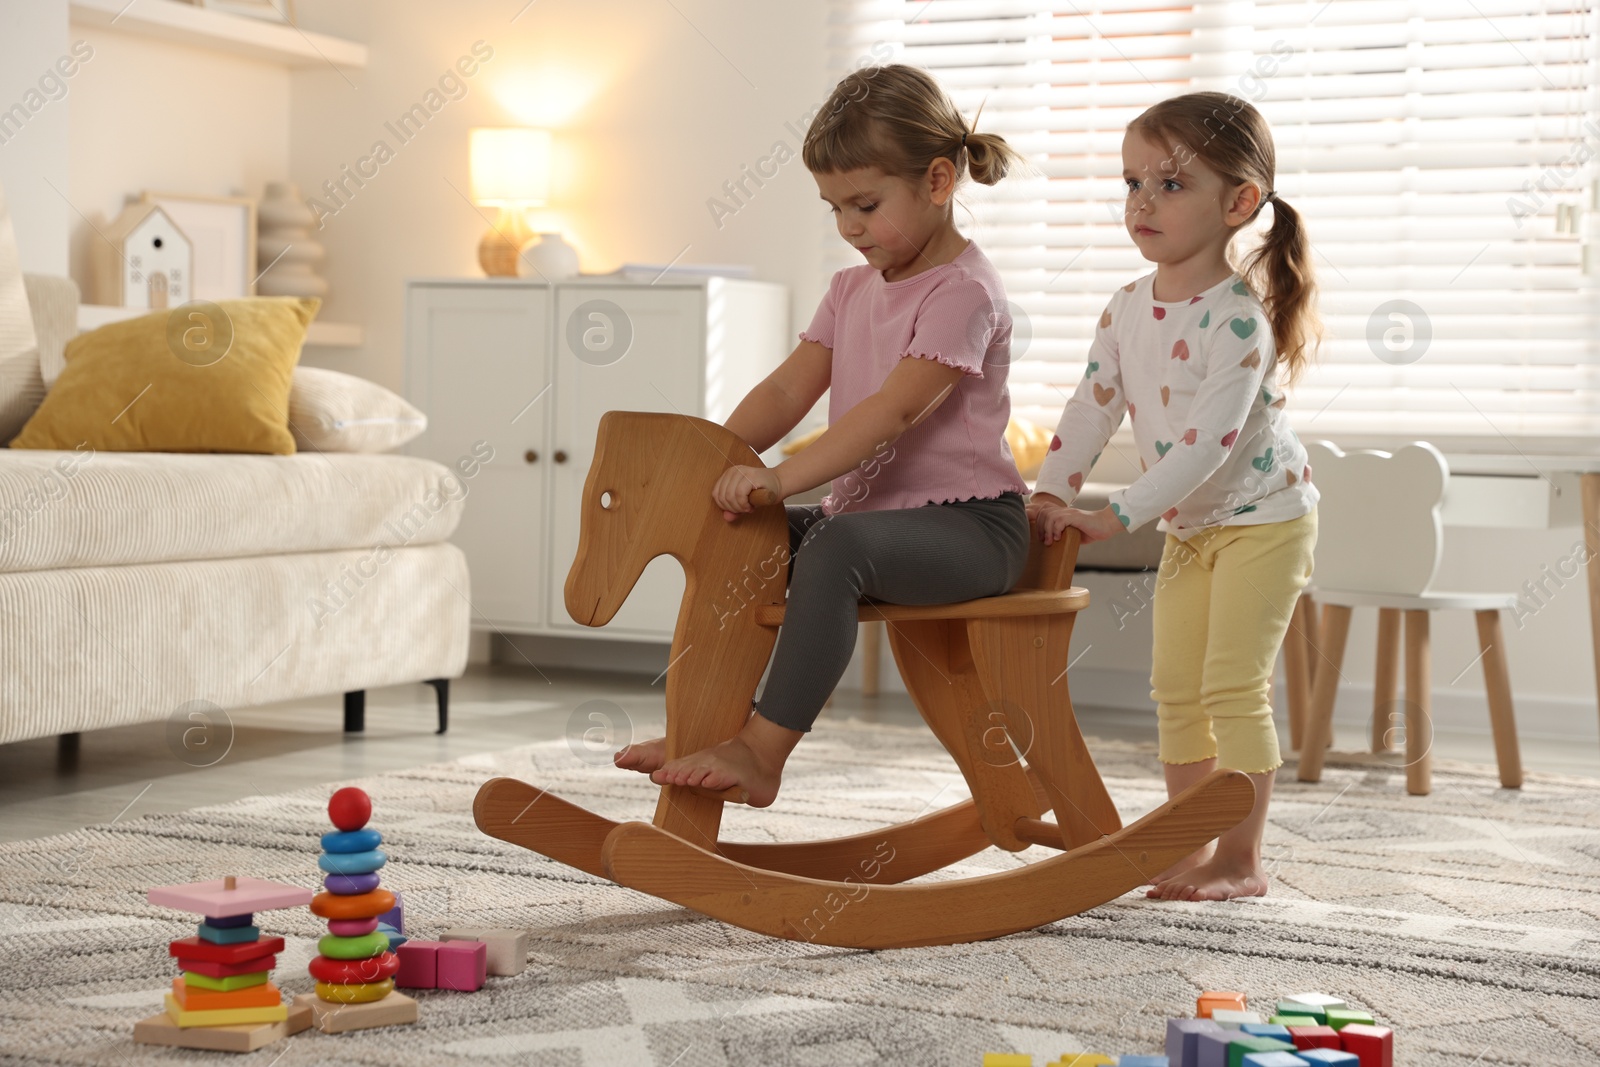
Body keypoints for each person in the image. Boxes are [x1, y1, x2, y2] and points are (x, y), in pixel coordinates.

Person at [614, 64, 1030, 807]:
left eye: (865, 205)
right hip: (876, 525)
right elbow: (784, 389)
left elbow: (891, 414)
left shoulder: (962, 292)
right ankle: (702, 726)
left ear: (938, 180)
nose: (848, 226)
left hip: (972, 528)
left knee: (835, 546)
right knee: (748, 536)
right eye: (834, 208)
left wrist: (781, 477)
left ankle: (763, 751)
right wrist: (710, 456)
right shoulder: (849, 289)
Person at [1030, 90, 1323, 901]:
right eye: (1131, 183)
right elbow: (1093, 405)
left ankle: (1241, 860)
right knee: (1175, 689)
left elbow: (1206, 446)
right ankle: (1190, 844)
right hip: (1193, 527)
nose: (1141, 203)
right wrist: (1051, 491)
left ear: (1239, 202)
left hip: (1266, 521)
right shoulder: (1128, 307)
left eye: (1169, 184)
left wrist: (1112, 514)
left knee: (1232, 685)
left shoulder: (1239, 323)